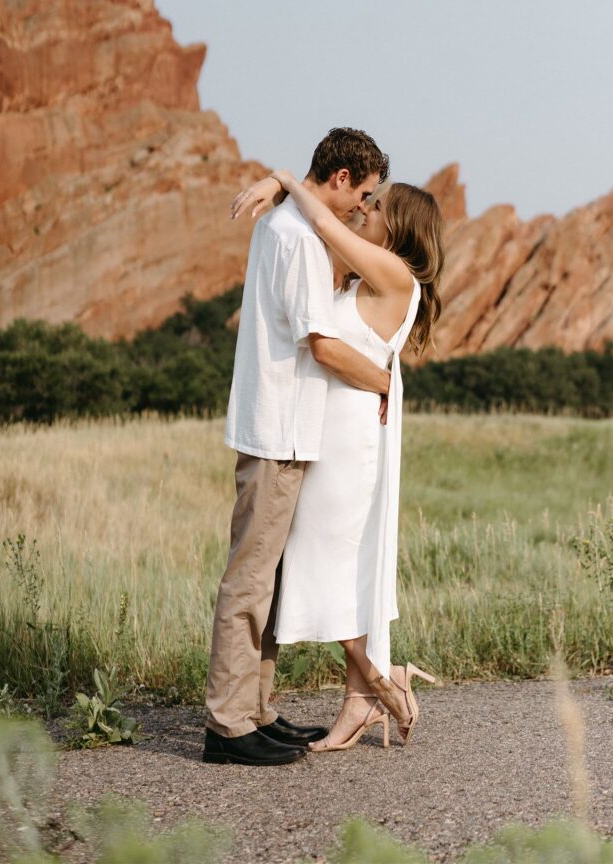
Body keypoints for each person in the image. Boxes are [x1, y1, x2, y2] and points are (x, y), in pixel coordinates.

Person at [231, 167, 446, 752]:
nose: (364, 213)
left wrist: (281, 177)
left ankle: (382, 683)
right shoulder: (368, 274)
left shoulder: (395, 272)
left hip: (350, 437)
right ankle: (362, 699)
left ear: (396, 226)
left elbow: (322, 219)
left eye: (375, 209)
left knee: (320, 559)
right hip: (332, 427)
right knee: (333, 562)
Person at [203, 127, 391, 767]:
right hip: (277, 428)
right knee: (250, 581)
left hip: (281, 425)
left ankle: (256, 710)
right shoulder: (299, 240)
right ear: (340, 177)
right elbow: (324, 344)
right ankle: (227, 726)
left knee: (270, 583)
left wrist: (280, 177)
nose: (362, 209)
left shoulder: (282, 224)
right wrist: (385, 380)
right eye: (362, 195)